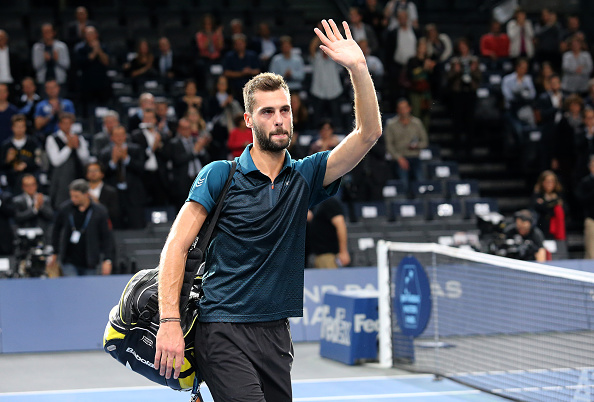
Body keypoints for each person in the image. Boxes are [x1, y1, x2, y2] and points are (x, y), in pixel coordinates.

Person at [154, 19, 382, 401]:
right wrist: (170, 322)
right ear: (248, 120)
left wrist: (359, 69)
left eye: (285, 110)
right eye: (267, 112)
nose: (278, 120)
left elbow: (369, 134)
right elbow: (174, 247)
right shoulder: (219, 176)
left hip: (276, 333)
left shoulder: (307, 176)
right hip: (222, 328)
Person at [49, 179, 113, 276]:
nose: (73, 199)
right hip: (68, 259)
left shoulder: (99, 211)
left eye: (76, 196)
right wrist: (55, 251)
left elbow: (106, 237)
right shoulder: (65, 209)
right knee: (72, 287)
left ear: (86, 194)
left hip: (90, 260)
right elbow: (56, 230)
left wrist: (107, 259)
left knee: (88, 289)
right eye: (72, 196)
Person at [99, 125, 147, 229]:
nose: (119, 138)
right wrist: (113, 162)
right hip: (114, 195)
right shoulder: (105, 153)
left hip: (133, 194)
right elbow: (102, 174)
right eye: (116, 135)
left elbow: (141, 169)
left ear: (125, 136)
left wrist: (127, 159)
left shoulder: (136, 149)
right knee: (117, 227)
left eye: (121, 135)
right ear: (111, 137)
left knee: (137, 226)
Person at [45, 112, 90, 208]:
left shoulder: (79, 138)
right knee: (61, 206)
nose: (67, 126)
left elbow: (85, 159)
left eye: (69, 123)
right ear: (59, 125)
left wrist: (77, 147)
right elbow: (55, 161)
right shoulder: (52, 139)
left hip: (77, 176)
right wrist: (68, 147)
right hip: (60, 180)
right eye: (64, 123)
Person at [385, 98, 428, 192]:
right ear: (397, 110)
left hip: (415, 157)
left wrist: (417, 145)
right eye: (401, 108)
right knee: (403, 184)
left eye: (405, 108)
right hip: (399, 158)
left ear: (409, 108)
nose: (403, 110)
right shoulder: (391, 124)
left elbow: (425, 142)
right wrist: (399, 158)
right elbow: (388, 145)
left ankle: (420, 202)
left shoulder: (417, 123)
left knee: (420, 182)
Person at [167, 117, 210, 209]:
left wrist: (201, 150)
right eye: (184, 128)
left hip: (198, 178)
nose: (187, 131)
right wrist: (195, 151)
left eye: (188, 128)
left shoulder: (196, 140)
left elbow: (206, 159)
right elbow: (177, 160)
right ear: (179, 130)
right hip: (183, 180)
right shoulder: (174, 143)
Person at [73, 26, 111, 118]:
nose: (90, 36)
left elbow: (106, 62)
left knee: (103, 107)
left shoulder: (103, 47)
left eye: (92, 33)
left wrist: (99, 51)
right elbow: (81, 63)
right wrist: (94, 51)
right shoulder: (80, 48)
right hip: (87, 83)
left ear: (96, 35)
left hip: (102, 82)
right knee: (88, 109)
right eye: (87, 34)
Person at [0, 114, 41, 193]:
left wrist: (26, 165)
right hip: (11, 182)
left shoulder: (32, 143)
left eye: (22, 126)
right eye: (17, 126)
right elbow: (2, 166)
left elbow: (38, 162)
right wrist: (8, 161)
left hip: (30, 181)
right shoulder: (6, 145)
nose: (20, 129)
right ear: (12, 128)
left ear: (25, 127)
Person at [307, 196, 350, 268]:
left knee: (331, 278)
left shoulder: (329, 202)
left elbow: (341, 226)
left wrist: (343, 252)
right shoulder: (315, 204)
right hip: (317, 255)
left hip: (329, 256)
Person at [12, 174, 53, 240]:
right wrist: (34, 210)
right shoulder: (17, 201)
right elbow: (17, 217)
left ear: (36, 185)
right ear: (23, 187)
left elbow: (51, 216)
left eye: (32, 185)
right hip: (24, 233)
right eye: (27, 185)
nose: (30, 188)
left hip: (42, 233)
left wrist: (41, 206)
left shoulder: (45, 199)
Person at [222, 33, 261, 100]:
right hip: (234, 86)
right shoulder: (229, 56)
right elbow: (226, 73)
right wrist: (241, 73)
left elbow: (258, 71)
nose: (239, 45)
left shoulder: (252, 55)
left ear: (245, 44)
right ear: (234, 45)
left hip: (250, 86)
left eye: (241, 43)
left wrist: (250, 71)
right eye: (237, 44)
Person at [530, 170, 565, 240]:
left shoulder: (559, 194)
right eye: (547, 181)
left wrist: (546, 203)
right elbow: (539, 207)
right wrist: (554, 202)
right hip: (543, 226)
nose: (550, 184)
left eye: (552, 181)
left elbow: (565, 209)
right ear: (542, 182)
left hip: (557, 228)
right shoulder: (538, 194)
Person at [86, 161, 120, 229]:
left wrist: (98, 204)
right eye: (90, 171)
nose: (93, 173)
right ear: (86, 174)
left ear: (102, 174)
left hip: (104, 226)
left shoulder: (111, 192)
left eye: (96, 170)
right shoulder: (82, 191)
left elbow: (115, 213)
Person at [575, 156, 594, 259]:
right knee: (591, 252)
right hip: (591, 219)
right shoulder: (585, 182)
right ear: (590, 167)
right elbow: (580, 199)